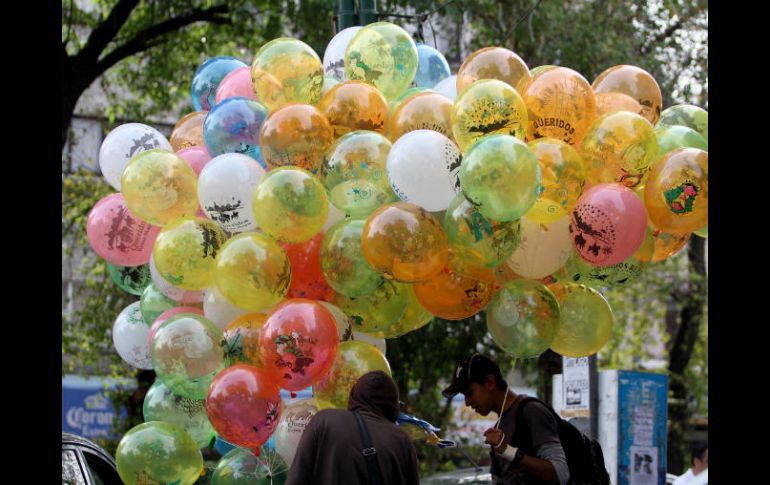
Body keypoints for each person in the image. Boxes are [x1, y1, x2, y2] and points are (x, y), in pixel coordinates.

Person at [443, 353, 570, 485]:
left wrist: (507, 451)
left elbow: (560, 472)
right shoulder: (499, 428)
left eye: (470, 393)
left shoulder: (532, 411)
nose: (467, 402)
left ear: (490, 382)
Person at [286, 370, 420, 485]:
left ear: (354, 395)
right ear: (392, 403)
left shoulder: (324, 421)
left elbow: (296, 479)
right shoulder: (401, 439)